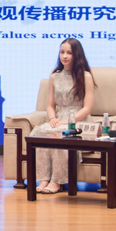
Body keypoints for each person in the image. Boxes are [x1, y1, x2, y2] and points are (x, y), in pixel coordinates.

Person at [29, 38, 96, 194]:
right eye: (62, 52)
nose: (64, 56)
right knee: (41, 132)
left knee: (60, 133)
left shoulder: (85, 76)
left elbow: (87, 108)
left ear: (76, 55)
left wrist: (67, 121)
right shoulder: (55, 75)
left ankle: (57, 181)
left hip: (78, 119)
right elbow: (50, 105)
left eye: (69, 53)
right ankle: (44, 178)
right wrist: (53, 118)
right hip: (59, 117)